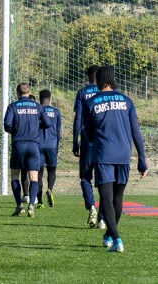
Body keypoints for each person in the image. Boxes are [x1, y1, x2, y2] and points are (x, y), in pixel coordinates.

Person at [82, 65, 147, 252]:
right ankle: (109, 234)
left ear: (99, 80)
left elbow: (88, 132)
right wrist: (142, 160)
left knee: (106, 198)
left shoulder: (92, 102)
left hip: (103, 154)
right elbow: (136, 131)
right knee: (118, 198)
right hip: (123, 155)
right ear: (113, 79)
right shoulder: (126, 101)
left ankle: (117, 238)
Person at [3, 83, 51, 218]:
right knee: (34, 176)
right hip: (33, 145)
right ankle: (31, 206)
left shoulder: (13, 106)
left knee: (14, 175)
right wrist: (35, 126)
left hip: (19, 144)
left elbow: (7, 125)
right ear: (29, 92)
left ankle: (19, 206)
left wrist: (15, 130)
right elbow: (48, 123)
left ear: (18, 93)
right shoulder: (37, 106)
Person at [73, 65, 105, 229]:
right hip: (102, 142)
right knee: (102, 180)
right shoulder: (104, 93)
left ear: (87, 77)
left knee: (85, 177)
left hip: (86, 140)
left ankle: (91, 206)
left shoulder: (82, 93)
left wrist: (75, 140)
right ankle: (101, 217)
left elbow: (78, 118)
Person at [37, 89, 61, 208]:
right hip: (52, 145)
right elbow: (58, 131)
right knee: (52, 171)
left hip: (39, 145)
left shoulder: (37, 110)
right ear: (50, 98)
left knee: (39, 173)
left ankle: (40, 201)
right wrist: (57, 146)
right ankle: (50, 189)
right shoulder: (56, 112)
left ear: (39, 98)